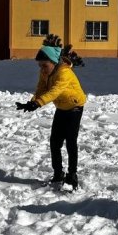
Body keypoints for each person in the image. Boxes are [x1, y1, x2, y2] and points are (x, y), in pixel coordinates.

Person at [16, 35, 86, 190]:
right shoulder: (45, 73)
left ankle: (72, 175)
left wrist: (38, 103)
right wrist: (32, 102)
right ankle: (58, 173)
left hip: (74, 107)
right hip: (61, 108)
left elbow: (55, 91)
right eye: (40, 65)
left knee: (70, 142)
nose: (42, 68)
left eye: (44, 65)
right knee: (55, 142)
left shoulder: (64, 73)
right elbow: (41, 89)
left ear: (54, 62)